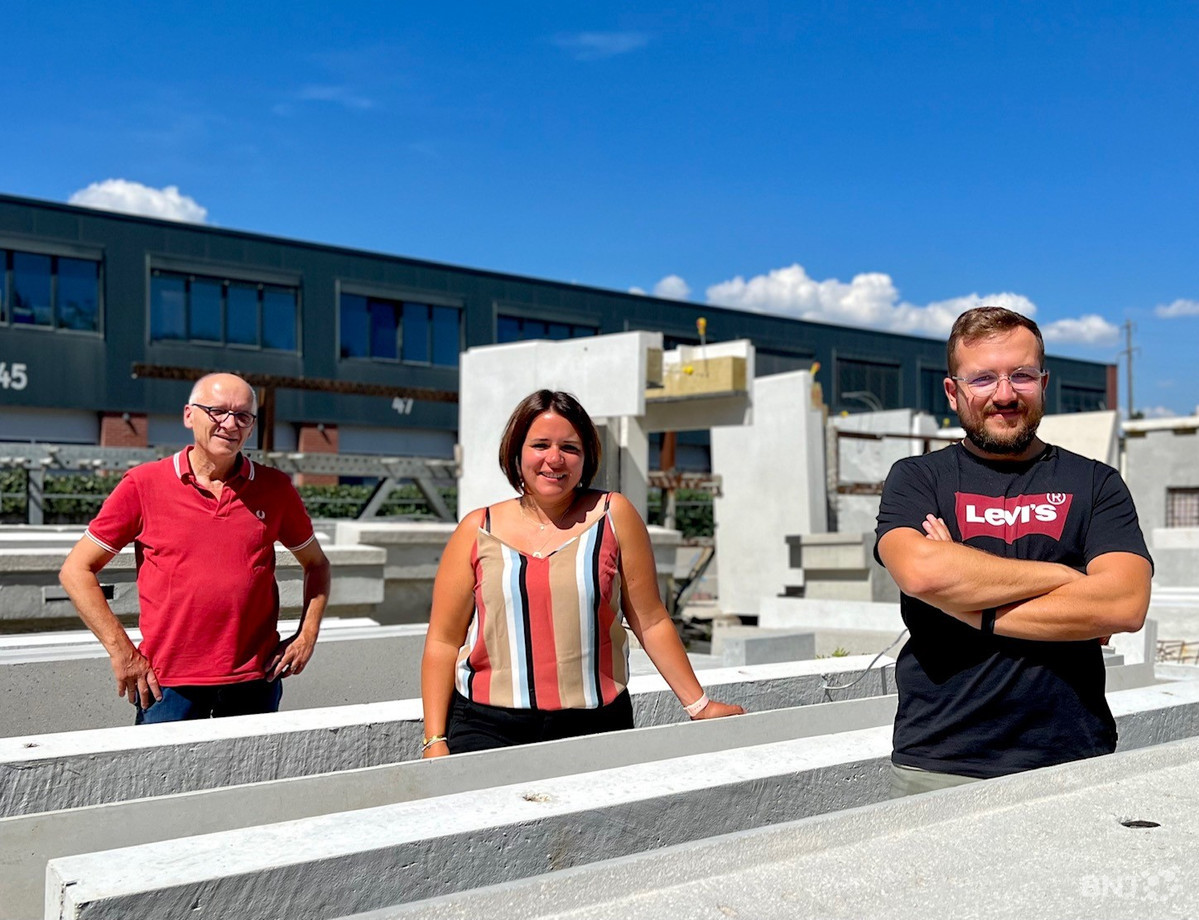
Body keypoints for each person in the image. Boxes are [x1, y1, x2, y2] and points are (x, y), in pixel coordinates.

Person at [875, 306, 1152, 796]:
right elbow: (922, 573)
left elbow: (1123, 604)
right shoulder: (917, 479)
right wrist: (1067, 578)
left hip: (1073, 762)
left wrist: (969, 606)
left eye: (1021, 375)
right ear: (953, 392)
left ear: (1043, 383)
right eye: (983, 379)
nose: (1004, 395)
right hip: (939, 765)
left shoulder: (1096, 483)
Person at [420, 389, 744, 756]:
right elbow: (443, 641)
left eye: (570, 448)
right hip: (486, 728)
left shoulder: (614, 516)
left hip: (595, 726)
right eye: (540, 445)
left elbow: (651, 621)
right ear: (516, 452)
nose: (554, 459)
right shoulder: (477, 529)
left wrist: (700, 706)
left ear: (586, 456)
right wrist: (434, 739)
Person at [59, 373, 331, 723]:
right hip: (168, 686)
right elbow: (76, 570)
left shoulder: (275, 489)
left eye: (243, 416)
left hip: (254, 680)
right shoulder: (143, 485)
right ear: (189, 415)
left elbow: (317, 565)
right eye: (217, 411)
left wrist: (307, 635)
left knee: (251, 763)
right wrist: (122, 652)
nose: (230, 424)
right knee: (161, 763)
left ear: (251, 427)